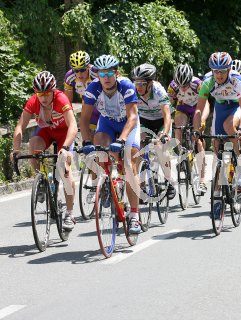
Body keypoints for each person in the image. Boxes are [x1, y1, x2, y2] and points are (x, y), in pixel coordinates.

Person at [80, 54, 143, 234]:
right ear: (97, 75)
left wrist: (122, 140)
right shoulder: (93, 89)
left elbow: (132, 117)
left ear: (116, 73)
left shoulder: (127, 86)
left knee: (129, 165)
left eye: (109, 73)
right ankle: (107, 184)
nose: (106, 77)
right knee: (99, 150)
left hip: (128, 124)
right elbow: (84, 119)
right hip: (107, 122)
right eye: (102, 73)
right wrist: (85, 140)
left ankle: (134, 215)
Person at [11, 71, 78, 230]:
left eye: (47, 93)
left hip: (64, 134)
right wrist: (16, 149)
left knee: (65, 169)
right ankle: (41, 180)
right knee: (33, 144)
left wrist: (65, 148)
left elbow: (73, 125)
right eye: (40, 93)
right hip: (47, 132)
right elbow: (20, 126)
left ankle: (69, 213)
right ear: (36, 93)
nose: (44, 97)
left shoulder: (61, 99)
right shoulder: (33, 102)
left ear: (53, 91)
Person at [193, 51, 241, 219]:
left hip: (236, 107)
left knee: (229, 126)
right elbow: (199, 108)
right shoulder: (207, 83)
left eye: (222, 71)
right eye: (215, 71)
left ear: (229, 69)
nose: (218, 75)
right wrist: (197, 130)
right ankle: (217, 196)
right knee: (218, 151)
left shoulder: (236, 80)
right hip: (220, 108)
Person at [131, 63, 176, 200]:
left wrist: (164, 134)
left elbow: (167, 115)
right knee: (138, 148)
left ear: (150, 83)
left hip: (161, 121)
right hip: (144, 120)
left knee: (160, 147)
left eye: (142, 84)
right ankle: (141, 185)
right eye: (136, 83)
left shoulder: (158, 90)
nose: (138, 87)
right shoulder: (133, 91)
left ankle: (170, 181)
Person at [167, 63, 208, 193]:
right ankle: (180, 153)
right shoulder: (173, 87)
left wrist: (202, 120)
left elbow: (206, 105)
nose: (183, 89)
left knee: (198, 140)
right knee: (178, 125)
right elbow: (170, 105)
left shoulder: (198, 84)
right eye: (180, 86)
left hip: (198, 108)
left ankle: (202, 180)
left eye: (185, 85)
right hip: (183, 107)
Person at [64, 50, 100, 130]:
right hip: (88, 106)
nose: (79, 74)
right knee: (90, 135)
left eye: (82, 70)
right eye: (76, 70)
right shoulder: (69, 77)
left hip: (104, 104)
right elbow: (67, 102)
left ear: (88, 66)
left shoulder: (96, 72)